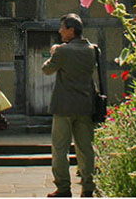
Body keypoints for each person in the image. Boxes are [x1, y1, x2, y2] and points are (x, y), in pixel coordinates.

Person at [42, 13, 98, 198]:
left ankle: (63, 188)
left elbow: (47, 69)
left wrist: (53, 52)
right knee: (85, 148)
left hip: (64, 106)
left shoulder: (63, 51)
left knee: (60, 149)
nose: (60, 31)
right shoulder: (92, 50)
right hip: (85, 105)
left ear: (71, 30)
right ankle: (88, 186)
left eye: (62, 28)